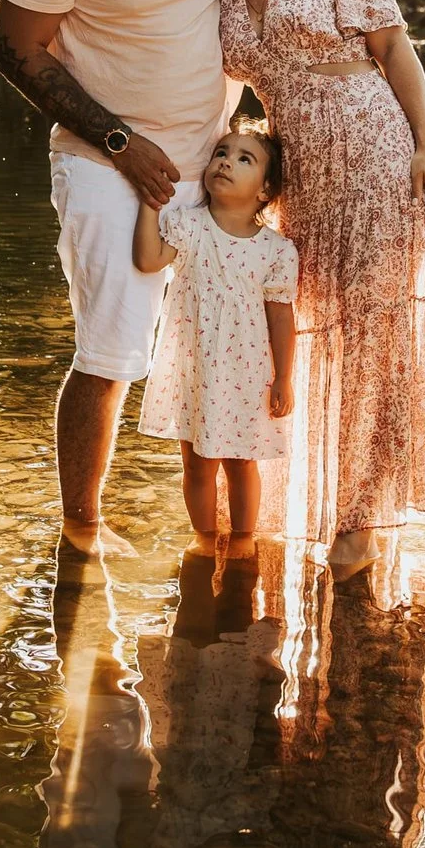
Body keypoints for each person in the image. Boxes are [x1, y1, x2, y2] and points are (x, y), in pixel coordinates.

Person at [0, 0, 238, 557]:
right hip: (107, 160)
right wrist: (121, 145)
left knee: (215, 344)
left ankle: (216, 527)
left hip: (210, 162)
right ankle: (82, 529)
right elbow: (14, 50)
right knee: (111, 348)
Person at [213, 0, 425, 576]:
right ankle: (293, 497)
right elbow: (213, 95)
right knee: (312, 323)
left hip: (377, 154)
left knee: (377, 332)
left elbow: (394, 49)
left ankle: (361, 517)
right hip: (303, 179)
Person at [131, 123, 299, 559]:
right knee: (197, 462)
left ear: (265, 191)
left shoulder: (276, 251)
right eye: (222, 152)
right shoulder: (188, 226)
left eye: (245, 158)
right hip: (195, 368)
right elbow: (149, 260)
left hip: (247, 372)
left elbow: (281, 317)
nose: (225, 161)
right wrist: (150, 206)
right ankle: (204, 540)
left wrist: (284, 378)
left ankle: (244, 541)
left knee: (242, 461)